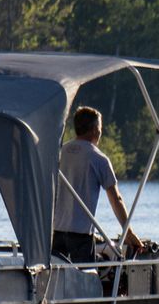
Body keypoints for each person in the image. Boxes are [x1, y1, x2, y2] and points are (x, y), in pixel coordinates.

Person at [52, 106, 144, 262]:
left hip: (57, 234)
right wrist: (128, 232)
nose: (101, 132)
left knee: (56, 282)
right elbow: (116, 199)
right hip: (81, 237)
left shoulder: (59, 153)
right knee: (85, 283)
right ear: (95, 130)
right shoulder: (98, 158)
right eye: (100, 128)